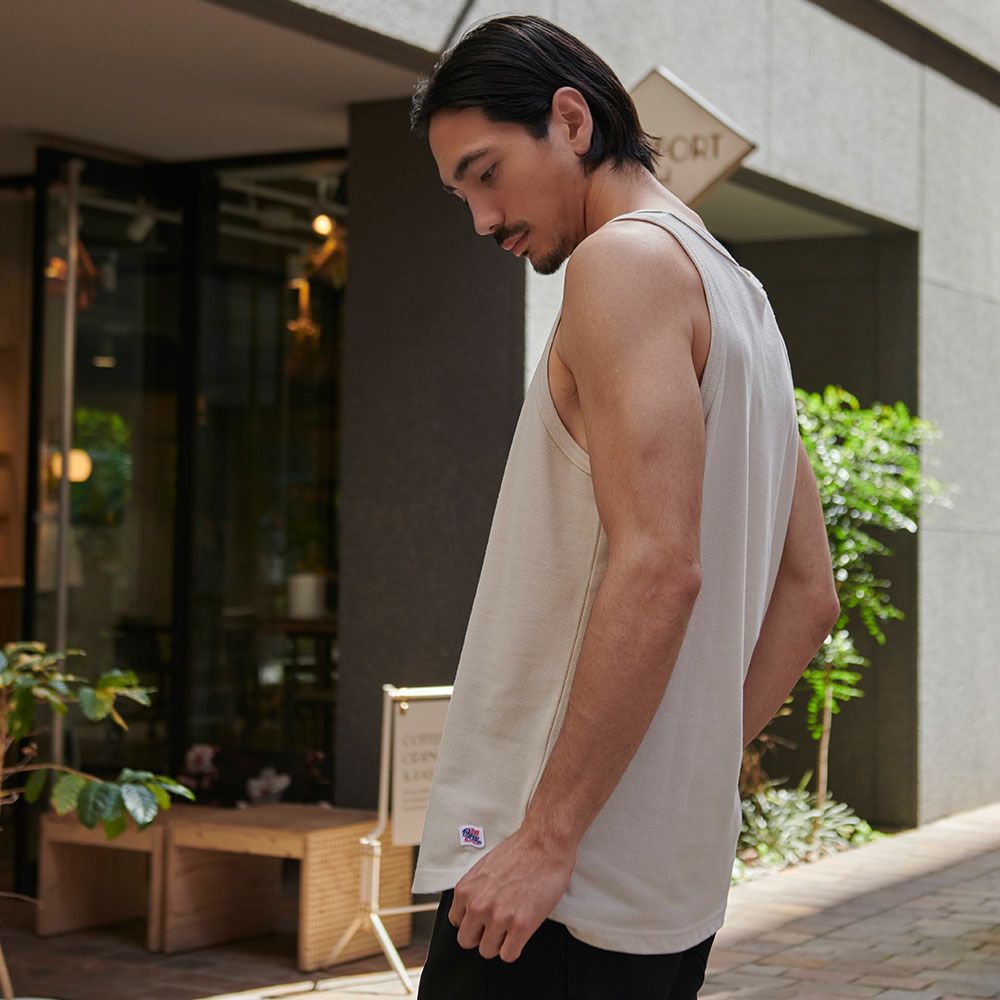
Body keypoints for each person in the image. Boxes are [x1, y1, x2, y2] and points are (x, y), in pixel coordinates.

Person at [407, 13, 840, 1000]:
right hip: (651, 883)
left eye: (486, 173)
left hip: (553, 885)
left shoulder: (624, 263)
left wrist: (550, 835)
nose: (482, 219)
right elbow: (809, 594)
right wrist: (680, 776)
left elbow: (658, 563)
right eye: (461, 193)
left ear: (570, 119)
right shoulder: (742, 297)